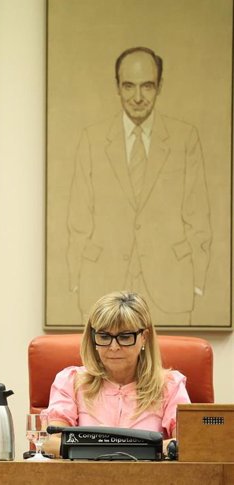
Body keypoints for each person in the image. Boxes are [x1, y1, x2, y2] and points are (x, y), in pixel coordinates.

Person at [66, 46, 211, 326]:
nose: (138, 97)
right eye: (129, 86)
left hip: (171, 283)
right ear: (117, 87)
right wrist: (75, 279)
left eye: (147, 86)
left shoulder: (185, 138)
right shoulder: (92, 139)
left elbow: (198, 215)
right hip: (101, 281)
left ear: (159, 86)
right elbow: (78, 218)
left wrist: (198, 281)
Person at [42, 291, 190, 456]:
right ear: (93, 338)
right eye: (104, 336)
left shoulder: (170, 386)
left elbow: (189, 443)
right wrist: (141, 448)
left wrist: (99, 447)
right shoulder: (70, 382)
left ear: (144, 337)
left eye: (125, 337)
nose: (113, 347)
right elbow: (50, 443)